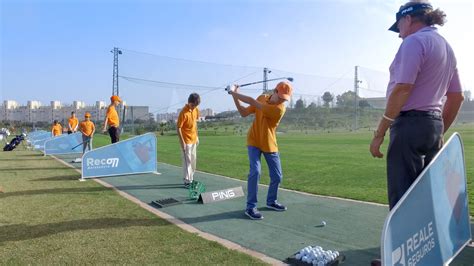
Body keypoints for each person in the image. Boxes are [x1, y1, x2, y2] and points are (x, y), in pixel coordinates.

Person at [369, 2, 464, 265]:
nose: (398, 33)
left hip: (409, 126)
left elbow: (402, 89)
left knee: (402, 197)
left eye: (398, 26)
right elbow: (456, 98)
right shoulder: (447, 47)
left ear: (408, 19)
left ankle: (399, 258)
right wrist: (440, 129)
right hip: (432, 126)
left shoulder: (412, 43)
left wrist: (379, 132)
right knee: (424, 195)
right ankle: (425, 254)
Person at [229, 81, 293, 220]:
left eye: (285, 98)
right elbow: (244, 113)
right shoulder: (262, 97)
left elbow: (252, 101)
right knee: (255, 171)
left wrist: (234, 92)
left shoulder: (279, 109)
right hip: (254, 141)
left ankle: (271, 201)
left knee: (277, 176)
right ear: (275, 91)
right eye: (281, 96)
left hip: (269, 144)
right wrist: (234, 96)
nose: (282, 100)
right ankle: (250, 207)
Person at [177, 93, 200, 188]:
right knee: (188, 161)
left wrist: (197, 136)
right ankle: (187, 181)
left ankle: (191, 178)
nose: (194, 107)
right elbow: (178, 128)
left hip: (194, 139)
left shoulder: (196, 110)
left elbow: (195, 123)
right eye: (193, 105)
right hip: (186, 141)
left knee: (193, 161)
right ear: (189, 102)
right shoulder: (183, 113)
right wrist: (182, 142)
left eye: (196, 105)